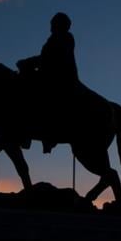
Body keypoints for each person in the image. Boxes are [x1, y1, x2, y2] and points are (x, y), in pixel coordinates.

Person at [17, 12, 79, 153]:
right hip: (50, 74)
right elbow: (45, 57)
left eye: (53, 24)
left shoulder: (66, 38)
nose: (51, 27)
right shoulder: (53, 39)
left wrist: (29, 62)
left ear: (60, 25)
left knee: (30, 89)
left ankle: (32, 133)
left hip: (60, 77)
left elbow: (53, 58)